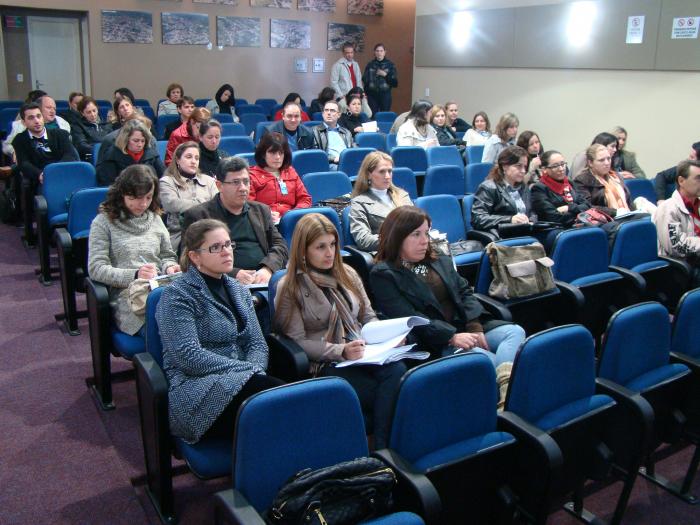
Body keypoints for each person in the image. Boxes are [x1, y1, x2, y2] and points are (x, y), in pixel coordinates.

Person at [370, 206, 525, 407]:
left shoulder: (437, 259)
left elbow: (464, 292)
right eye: (416, 234)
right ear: (397, 237)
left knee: (515, 332)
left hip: (464, 326)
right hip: (436, 341)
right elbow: (410, 317)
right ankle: (510, 398)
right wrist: (451, 336)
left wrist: (474, 326)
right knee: (484, 359)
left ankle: (506, 392)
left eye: (426, 233)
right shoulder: (383, 274)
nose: (424, 240)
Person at [274, 213, 406, 448]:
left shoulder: (348, 273)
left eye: (333, 245)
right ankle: (385, 449)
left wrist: (388, 337)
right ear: (303, 250)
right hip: (327, 362)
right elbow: (296, 341)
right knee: (380, 391)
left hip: (363, 351)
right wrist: (341, 351)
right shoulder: (290, 286)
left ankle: (389, 446)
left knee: (399, 372)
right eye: (320, 247)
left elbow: (367, 316)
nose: (329, 253)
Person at [157, 218, 284, 444]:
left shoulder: (239, 289)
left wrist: (253, 371)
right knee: (282, 407)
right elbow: (189, 357)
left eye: (228, 244)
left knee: (289, 404)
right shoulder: (176, 295)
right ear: (195, 257)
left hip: (246, 378)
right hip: (197, 389)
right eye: (216, 247)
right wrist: (246, 370)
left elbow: (256, 343)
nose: (226, 252)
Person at [88, 165, 180, 337]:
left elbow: (167, 255)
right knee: (169, 332)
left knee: (195, 322)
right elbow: (96, 269)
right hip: (129, 297)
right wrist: (135, 274)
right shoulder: (103, 223)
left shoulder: (155, 219)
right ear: (122, 193)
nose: (143, 204)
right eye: (135, 198)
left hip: (161, 288)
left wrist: (169, 267)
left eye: (148, 197)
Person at [183, 156, 288, 285]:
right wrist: (233, 274)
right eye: (236, 182)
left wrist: (268, 268)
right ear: (219, 185)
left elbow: (280, 245)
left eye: (246, 181)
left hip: (264, 280)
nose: (243, 188)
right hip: (221, 284)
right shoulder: (199, 216)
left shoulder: (261, 210)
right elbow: (190, 261)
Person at [159, 141, 218, 251]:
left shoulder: (209, 181)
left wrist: (191, 203)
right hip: (180, 235)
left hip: (210, 232)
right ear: (177, 159)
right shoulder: (167, 181)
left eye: (196, 158)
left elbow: (218, 206)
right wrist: (205, 202)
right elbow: (172, 205)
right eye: (188, 157)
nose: (193, 161)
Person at [349, 151, 412, 252]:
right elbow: (363, 239)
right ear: (369, 174)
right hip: (388, 254)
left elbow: (416, 224)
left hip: (413, 249)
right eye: (382, 171)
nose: (387, 176)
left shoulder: (402, 195)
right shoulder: (359, 203)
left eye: (390, 171)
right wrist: (397, 239)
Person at [653, 160, 700, 286]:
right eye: (698, 178)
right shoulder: (668, 209)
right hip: (678, 268)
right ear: (681, 181)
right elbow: (677, 247)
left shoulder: (697, 205)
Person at [472, 145, 536, 236]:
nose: (523, 171)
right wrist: (510, 219)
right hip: (503, 236)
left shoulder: (524, 187)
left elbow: (532, 212)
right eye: (518, 166)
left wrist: (532, 221)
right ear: (505, 166)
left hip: (525, 233)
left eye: (525, 167)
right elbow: (478, 219)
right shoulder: (488, 187)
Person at [12, 102, 78, 188]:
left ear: (43, 118)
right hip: (40, 180)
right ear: (24, 122)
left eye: (39, 116)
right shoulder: (20, 139)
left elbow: (70, 155)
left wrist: (53, 171)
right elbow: (24, 163)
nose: (36, 121)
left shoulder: (61, 134)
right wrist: (41, 174)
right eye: (31, 118)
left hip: (62, 174)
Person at [248, 132, 311, 219]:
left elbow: (305, 199)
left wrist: (293, 214)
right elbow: (248, 205)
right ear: (263, 154)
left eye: (281, 153)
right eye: (272, 153)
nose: (277, 157)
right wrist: (266, 214)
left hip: (292, 219)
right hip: (265, 223)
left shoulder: (290, 171)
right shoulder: (251, 175)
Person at [531, 150, 590, 227]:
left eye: (563, 164)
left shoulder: (569, 182)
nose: (561, 169)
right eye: (555, 166)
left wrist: (568, 208)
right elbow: (552, 217)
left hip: (578, 224)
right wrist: (578, 213)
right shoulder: (539, 188)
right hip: (555, 229)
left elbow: (587, 206)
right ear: (544, 169)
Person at [97, 120, 164, 187]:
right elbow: (109, 184)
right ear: (125, 140)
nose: (140, 145)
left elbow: (164, 177)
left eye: (143, 141)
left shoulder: (151, 153)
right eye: (136, 141)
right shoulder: (112, 155)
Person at [573, 144, 633, 217]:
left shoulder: (615, 176)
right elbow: (587, 207)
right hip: (605, 220)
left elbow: (628, 202)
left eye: (609, 158)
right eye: (601, 160)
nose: (607, 163)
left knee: (645, 216)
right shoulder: (581, 180)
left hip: (625, 214)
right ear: (590, 163)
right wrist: (615, 212)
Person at [4, 95, 71, 159]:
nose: (53, 111)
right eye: (49, 108)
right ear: (39, 108)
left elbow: (69, 146)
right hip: (32, 159)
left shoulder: (63, 123)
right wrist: (15, 151)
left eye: (54, 108)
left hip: (58, 159)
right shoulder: (18, 125)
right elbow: (6, 146)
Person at [311, 99, 355, 168]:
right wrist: (333, 159)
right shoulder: (314, 131)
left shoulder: (346, 132)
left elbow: (353, 149)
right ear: (323, 114)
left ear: (339, 115)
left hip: (348, 162)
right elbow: (316, 153)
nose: (328, 113)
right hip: (330, 165)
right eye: (326, 110)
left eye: (332, 110)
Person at [71, 96, 113, 162]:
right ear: (82, 113)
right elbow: (81, 145)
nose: (93, 114)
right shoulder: (77, 126)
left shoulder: (107, 124)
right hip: (90, 157)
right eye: (89, 112)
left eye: (94, 110)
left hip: (108, 155)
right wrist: (98, 149)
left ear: (97, 109)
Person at [362, 43, 398, 113]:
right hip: (372, 95)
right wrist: (366, 94)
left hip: (385, 95)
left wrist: (385, 75)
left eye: (381, 51)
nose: (379, 53)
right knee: (372, 115)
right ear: (374, 52)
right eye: (377, 51)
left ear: (385, 52)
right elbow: (365, 80)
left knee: (384, 115)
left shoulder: (390, 65)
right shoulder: (370, 65)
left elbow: (395, 83)